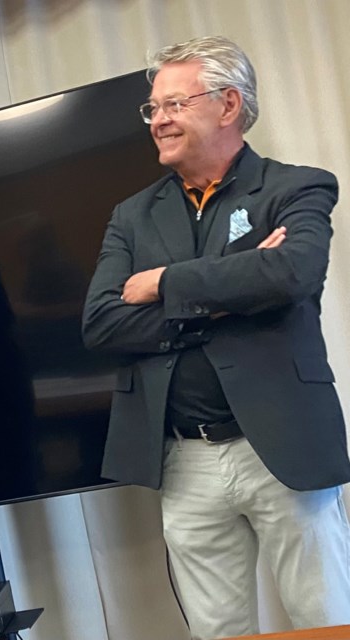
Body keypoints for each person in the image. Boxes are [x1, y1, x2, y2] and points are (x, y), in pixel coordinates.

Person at [82, 36, 350, 639]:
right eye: (153, 109)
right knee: (216, 631)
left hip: (281, 448)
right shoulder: (132, 215)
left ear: (228, 106)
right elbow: (101, 322)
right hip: (185, 458)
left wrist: (165, 283)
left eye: (174, 104)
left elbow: (292, 271)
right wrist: (230, 299)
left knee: (326, 619)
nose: (158, 120)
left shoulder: (297, 187)